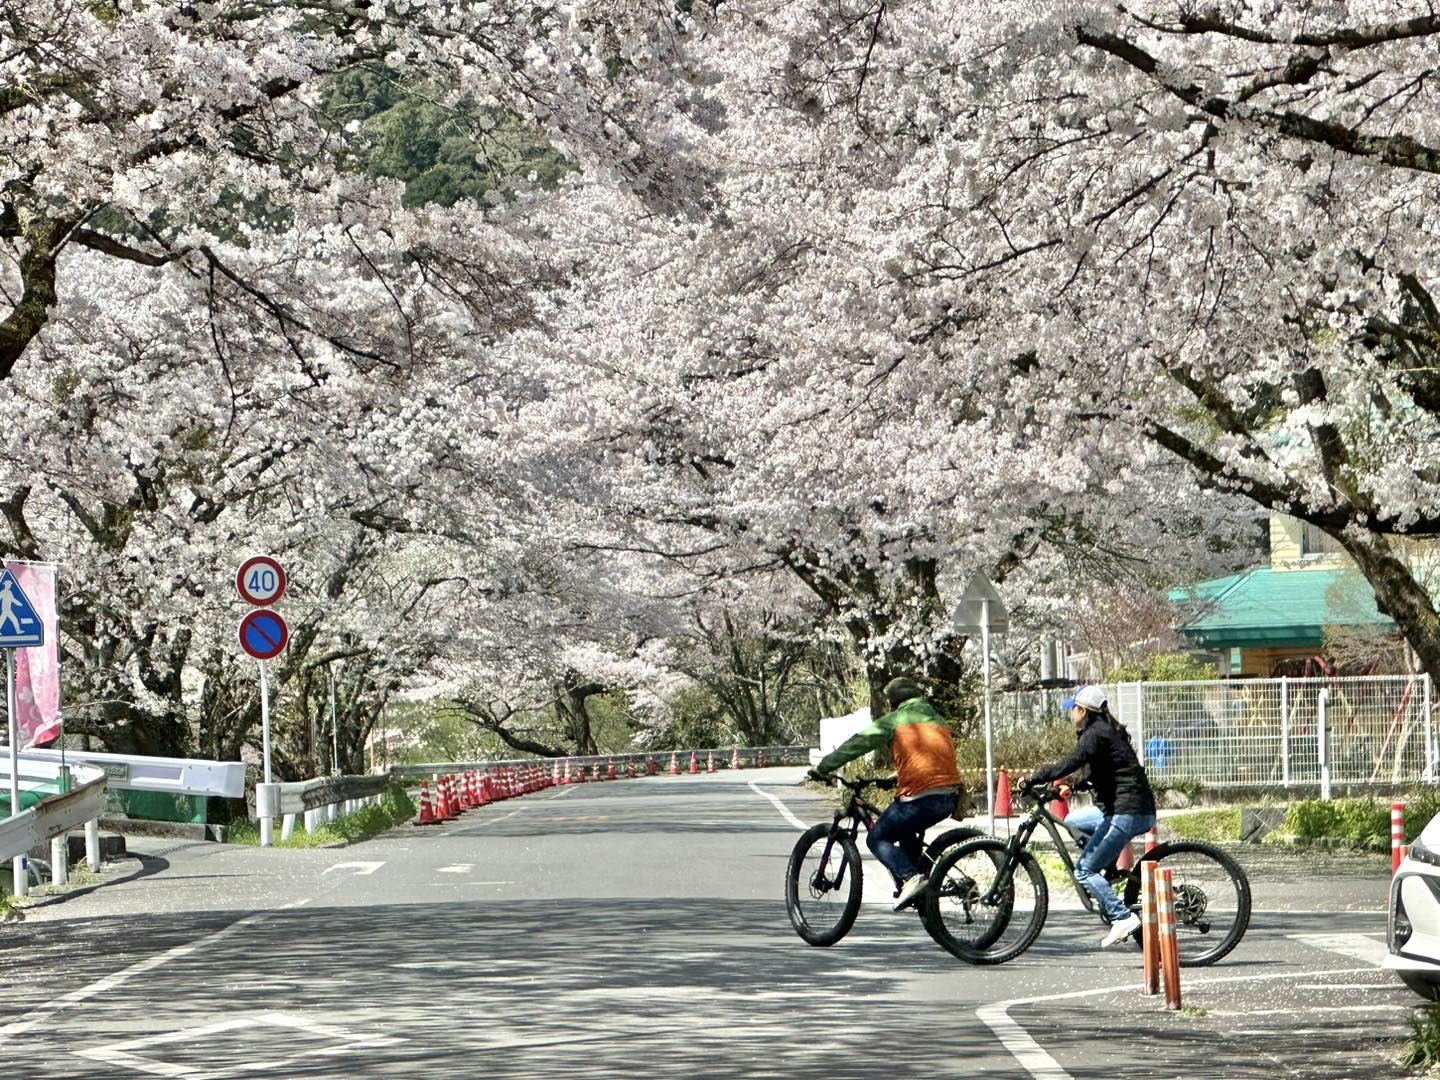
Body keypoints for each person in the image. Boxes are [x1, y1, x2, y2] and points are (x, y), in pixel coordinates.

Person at [809, 676, 964, 911]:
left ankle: (911, 878)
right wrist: (893, 779)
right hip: (949, 797)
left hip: (920, 798)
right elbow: (929, 761)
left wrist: (824, 767)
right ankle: (919, 887)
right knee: (903, 828)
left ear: (893, 703)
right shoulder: (938, 720)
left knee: (877, 838)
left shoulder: (895, 720)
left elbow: (858, 743)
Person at [1023, 684, 1157, 947]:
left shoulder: (1095, 734)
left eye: (1073, 709)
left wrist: (1034, 778)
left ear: (1082, 710)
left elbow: (1071, 762)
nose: (1070, 714)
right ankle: (1106, 872)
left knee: (1084, 870)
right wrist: (1070, 787)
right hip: (1126, 807)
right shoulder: (1103, 733)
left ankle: (1122, 917)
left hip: (1128, 811)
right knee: (1073, 822)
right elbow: (1101, 773)